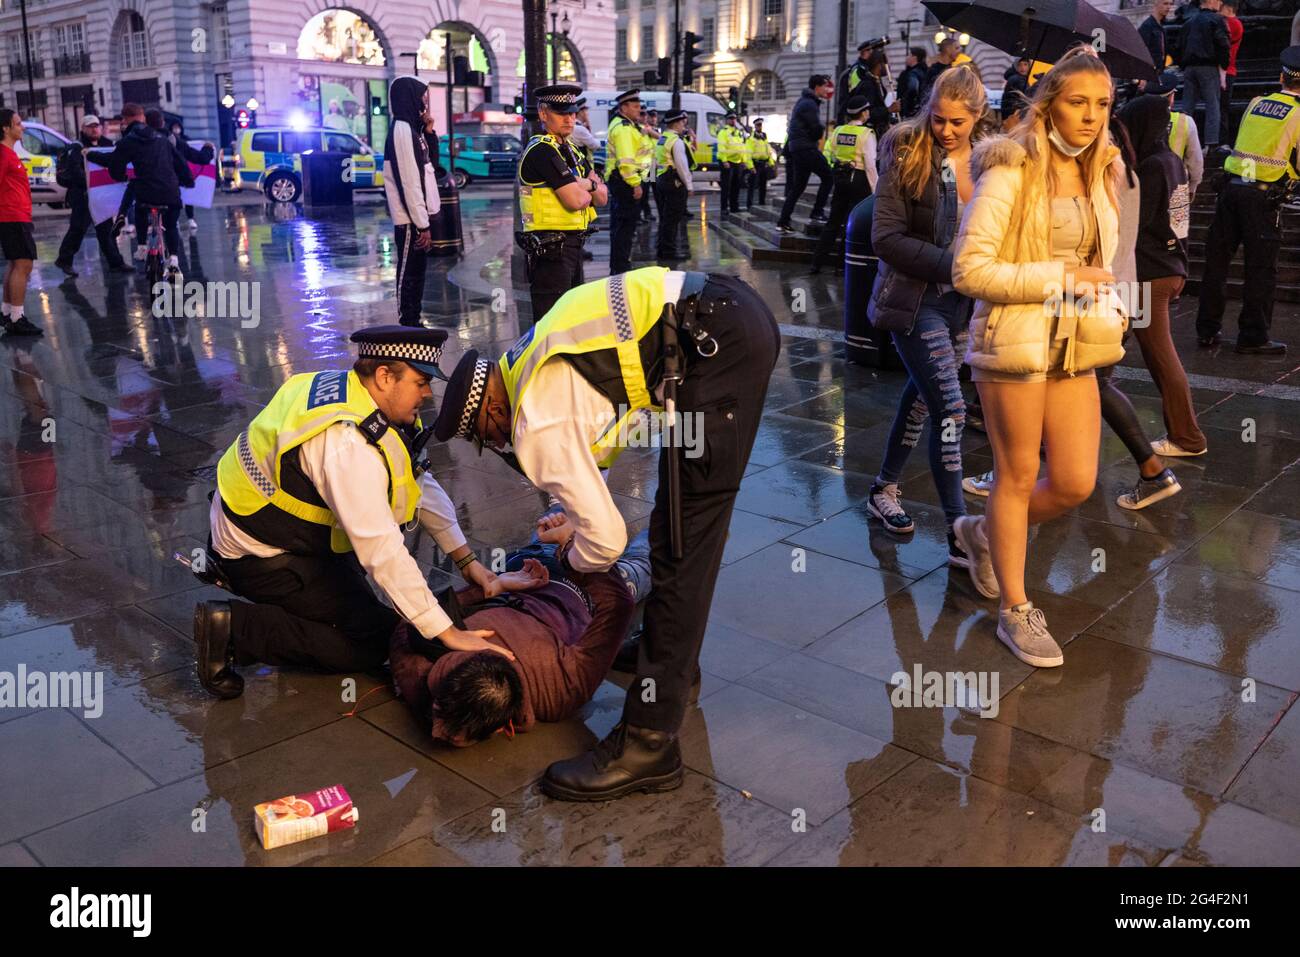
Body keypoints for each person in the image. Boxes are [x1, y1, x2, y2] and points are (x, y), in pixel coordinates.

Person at [432, 267, 780, 801]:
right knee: (674, 530)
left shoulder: (531, 423)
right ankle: (671, 666)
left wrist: (571, 563)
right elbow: (606, 416)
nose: (499, 446)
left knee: (686, 545)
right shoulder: (532, 356)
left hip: (716, 346)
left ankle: (648, 742)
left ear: (492, 408)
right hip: (722, 317)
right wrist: (575, 513)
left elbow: (610, 542)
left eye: (487, 435)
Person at [193, 326, 534, 699]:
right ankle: (231, 629)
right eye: (421, 382)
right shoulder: (347, 444)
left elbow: (417, 483)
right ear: (386, 377)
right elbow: (381, 549)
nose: (427, 392)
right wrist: (446, 632)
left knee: (372, 611)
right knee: (369, 642)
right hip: (259, 552)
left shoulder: (364, 400)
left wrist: (469, 563)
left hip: (266, 526)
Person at [952, 48, 1129, 667]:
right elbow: (970, 270)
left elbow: (1105, 259)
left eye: (1102, 105)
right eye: (1078, 102)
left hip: (1076, 347)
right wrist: (1061, 276)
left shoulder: (1103, 168)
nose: (1090, 116)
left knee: (1077, 482)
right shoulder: (1011, 168)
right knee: (1018, 476)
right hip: (1013, 344)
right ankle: (1015, 609)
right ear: (1049, 102)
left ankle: (979, 534)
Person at [864, 68, 986, 564]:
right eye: (939, 119)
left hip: (963, 304)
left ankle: (882, 489)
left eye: (958, 121)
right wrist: (958, 266)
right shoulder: (907, 153)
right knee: (952, 411)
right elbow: (885, 238)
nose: (947, 130)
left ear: (977, 116)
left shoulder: (990, 160)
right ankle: (959, 530)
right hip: (915, 303)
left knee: (921, 400)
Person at [389, 527, 652, 747]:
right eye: (448, 727)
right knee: (647, 550)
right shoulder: (561, 691)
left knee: (568, 505)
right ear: (499, 726)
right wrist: (571, 547)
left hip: (522, 570)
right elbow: (616, 603)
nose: (435, 731)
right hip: (576, 585)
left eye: (438, 715)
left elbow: (411, 619)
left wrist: (496, 585)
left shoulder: (419, 670)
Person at [1195, 46, 1300, 355]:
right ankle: (1253, 336)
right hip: (1261, 198)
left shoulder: (1256, 103)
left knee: (1216, 263)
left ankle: (1207, 330)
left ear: (1281, 76)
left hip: (1230, 190)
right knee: (1261, 269)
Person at [1120, 93, 1207, 462]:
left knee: (1159, 354)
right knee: (1149, 353)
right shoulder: (1172, 161)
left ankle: (1187, 436)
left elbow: (1134, 226)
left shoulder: (1153, 167)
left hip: (1149, 275)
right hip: (1169, 269)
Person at [516, 84, 607, 322]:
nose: (569, 119)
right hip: (550, 248)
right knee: (551, 322)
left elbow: (603, 197)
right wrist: (587, 187)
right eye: (561, 113)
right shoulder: (542, 151)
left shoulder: (573, 151)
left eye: (573, 113)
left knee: (570, 320)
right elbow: (576, 200)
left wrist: (588, 185)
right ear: (544, 114)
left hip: (572, 245)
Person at [382, 76, 442, 327]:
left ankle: (413, 320)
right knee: (409, 272)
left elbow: (432, 168)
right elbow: (409, 181)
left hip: (417, 217)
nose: (425, 102)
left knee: (417, 272)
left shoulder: (413, 130)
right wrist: (422, 224)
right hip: (410, 220)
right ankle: (407, 322)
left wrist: (429, 134)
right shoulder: (402, 131)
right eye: (422, 96)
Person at [106, 107, 194, 276]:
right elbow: (180, 162)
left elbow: (114, 165)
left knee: (140, 208)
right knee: (170, 225)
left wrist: (121, 176)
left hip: (146, 192)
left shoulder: (128, 142)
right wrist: (188, 180)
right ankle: (174, 260)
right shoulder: (162, 139)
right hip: (170, 191)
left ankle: (141, 247)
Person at [53, 115, 133, 278]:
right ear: (83, 129)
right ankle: (64, 260)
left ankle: (116, 262)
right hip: (82, 195)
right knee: (78, 228)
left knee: (106, 229)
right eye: (90, 126)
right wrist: (90, 184)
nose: (94, 129)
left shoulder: (107, 145)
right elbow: (75, 172)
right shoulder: (77, 147)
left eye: (96, 126)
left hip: (100, 195)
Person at [810, 95, 878, 275]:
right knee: (850, 223)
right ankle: (841, 266)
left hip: (840, 178)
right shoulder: (866, 134)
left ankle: (816, 263)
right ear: (863, 113)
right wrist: (875, 191)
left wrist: (838, 165)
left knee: (833, 221)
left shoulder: (838, 131)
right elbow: (870, 165)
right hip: (859, 179)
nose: (868, 113)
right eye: (867, 110)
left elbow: (829, 154)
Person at [777, 75, 835, 232]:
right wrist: (821, 129)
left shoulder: (805, 101)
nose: (827, 89)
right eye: (825, 86)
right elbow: (815, 129)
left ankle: (783, 221)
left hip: (798, 148)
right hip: (806, 148)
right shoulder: (809, 104)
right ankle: (817, 212)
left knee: (798, 187)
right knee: (829, 177)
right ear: (817, 87)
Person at [0, 109, 40, 337]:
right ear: (5, 128)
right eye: (17, 123)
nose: (22, 127)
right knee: (24, 265)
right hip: (11, 216)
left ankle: (7, 312)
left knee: (16, 264)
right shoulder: (3, 154)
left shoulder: (9, 152)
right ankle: (17, 317)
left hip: (15, 215)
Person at [1178, 0, 1230, 148]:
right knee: (1213, 106)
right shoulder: (1216, 20)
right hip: (1208, 67)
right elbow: (1223, 45)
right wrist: (1223, 68)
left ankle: (1181, 141)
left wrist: (1184, 65)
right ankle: (1211, 144)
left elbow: (1179, 45)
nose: (1220, 3)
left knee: (1187, 107)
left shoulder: (1189, 21)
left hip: (1189, 68)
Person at [604, 89, 645, 275]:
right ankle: (621, 268)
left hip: (622, 180)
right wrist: (635, 183)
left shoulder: (625, 125)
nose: (639, 110)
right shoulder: (624, 129)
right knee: (624, 229)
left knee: (622, 227)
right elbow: (626, 161)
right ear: (624, 107)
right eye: (635, 106)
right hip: (625, 182)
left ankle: (619, 266)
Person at [1150, 70, 1203, 196]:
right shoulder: (1185, 122)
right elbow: (1195, 160)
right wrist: (1193, 186)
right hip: (1177, 186)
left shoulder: (1137, 119)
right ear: (1171, 97)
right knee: (1178, 216)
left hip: (1146, 186)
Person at [654, 110, 693, 262]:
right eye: (683, 122)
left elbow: (655, 160)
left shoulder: (663, 138)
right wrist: (689, 185)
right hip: (675, 183)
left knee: (665, 219)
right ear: (676, 123)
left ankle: (662, 250)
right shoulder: (676, 141)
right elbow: (682, 166)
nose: (684, 125)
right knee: (672, 220)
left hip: (662, 181)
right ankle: (669, 252)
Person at [168, 120, 209, 230]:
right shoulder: (169, 140)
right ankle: (174, 220)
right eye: (174, 127)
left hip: (182, 173)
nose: (176, 129)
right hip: (175, 174)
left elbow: (194, 154)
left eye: (178, 127)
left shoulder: (184, 141)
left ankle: (190, 218)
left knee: (188, 198)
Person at [860, 49, 899, 140]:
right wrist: (888, 110)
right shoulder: (868, 85)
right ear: (879, 65)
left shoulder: (877, 82)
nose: (888, 67)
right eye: (886, 64)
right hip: (870, 135)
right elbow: (868, 112)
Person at [1220, 0, 1243, 144]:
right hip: (1228, 71)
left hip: (1226, 72)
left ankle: (1222, 141)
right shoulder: (1233, 23)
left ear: (1228, 8)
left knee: (1222, 109)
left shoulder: (1231, 24)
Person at [716, 112, 747, 214]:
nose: (733, 120)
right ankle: (724, 208)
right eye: (731, 118)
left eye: (734, 118)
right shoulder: (723, 132)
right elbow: (721, 147)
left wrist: (743, 160)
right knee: (726, 187)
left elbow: (741, 147)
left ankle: (734, 207)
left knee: (736, 186)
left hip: (737, 162)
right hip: (727, 162)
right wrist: (724, 160)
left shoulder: (738, 132)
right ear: (727, 120)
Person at [1139, 0, 1172, 78]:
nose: (1168, 7)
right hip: (1149, 74)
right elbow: (1142, 53)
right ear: (1156, 4)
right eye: (1165, 3)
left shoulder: (1161, 26)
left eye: (1170, 4)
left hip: (1159, 72)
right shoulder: (1147, 26)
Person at [746, 118, 774, 208]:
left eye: (760, 125)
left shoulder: (764, 137)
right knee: (752, 186)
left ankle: (762, 202)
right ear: (755, 126)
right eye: (758, 125)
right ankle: (749, 205)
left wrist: (771, 162)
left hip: (763, 164)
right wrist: (751, 166)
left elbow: (768, 151)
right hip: (755, 164)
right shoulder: (751, 138)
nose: (759, 127)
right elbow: (748, 153)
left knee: (763, 185)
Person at [1002, 58, 1033, 130]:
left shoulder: (1015, 77)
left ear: (1029, 66)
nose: (1023, 68)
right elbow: (1029, 95)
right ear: (1016, 67)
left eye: (1025, 65)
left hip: (1009, 113)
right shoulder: (1018, 79)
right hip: (1014, 114)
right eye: (1020, 65)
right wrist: (1038, 84)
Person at [639, 109, 658, 223]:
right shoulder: (640, 128)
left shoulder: (648, 128)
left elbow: (659, 137)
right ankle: (644, 214)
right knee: (644, 192)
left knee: (656, 191)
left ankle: (647, 213)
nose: (645, 117)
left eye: (645, 115)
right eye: (643, 115)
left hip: (652, 166)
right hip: (644, 166)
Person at [899, 48, 930, 119]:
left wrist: (907, 105)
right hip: (923, 110)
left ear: (914, 58)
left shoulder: (912, 73)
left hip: (912, 112)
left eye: (909, 55)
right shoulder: (926, 71)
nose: (906, 58)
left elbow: (912, 89)